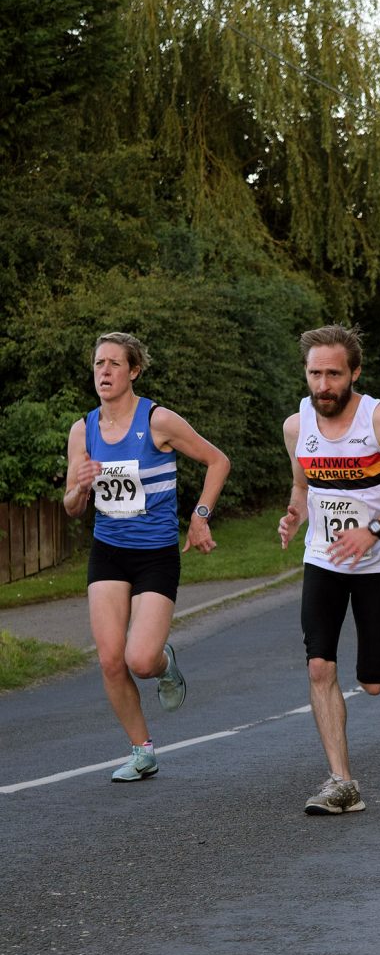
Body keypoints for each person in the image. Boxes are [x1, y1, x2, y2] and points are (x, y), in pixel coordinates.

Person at [278, 324, 380, 815]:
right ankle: (341, 782)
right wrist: (292, 515)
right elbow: (303, 487)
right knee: (319, 664)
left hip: (378, 563)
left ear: (354, 373)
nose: (322, 385)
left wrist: (374, 528)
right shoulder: (296, 424)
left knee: (371, 682)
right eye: (314, 374)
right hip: (323, 557)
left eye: (333, 373)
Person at [63, 331, 231, 782]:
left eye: (115, 364)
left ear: (133, 371)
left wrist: (199, 517)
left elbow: (218, 461)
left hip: (156, 554)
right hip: (109, 552)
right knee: (110, 660)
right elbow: (72, 506)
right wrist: (79, 486)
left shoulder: (158, 420)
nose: (105, 372)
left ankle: (164, 663)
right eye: (99, 363)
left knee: (140, 660)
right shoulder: (84, 430)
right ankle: (142, 751)